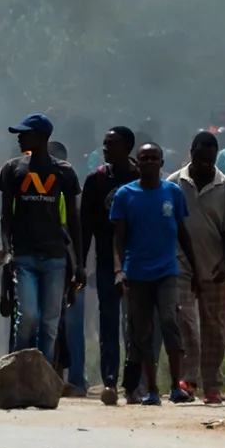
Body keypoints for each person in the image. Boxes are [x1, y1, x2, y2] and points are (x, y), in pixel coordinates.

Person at [0, 113, 82, 378]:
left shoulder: (64, 171)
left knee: (50, 322)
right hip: (24, 256)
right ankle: (19, 373)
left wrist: (76, 262)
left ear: (42, 137)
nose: (19, 138)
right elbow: (6, 215)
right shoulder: (13, 169)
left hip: (55, 256)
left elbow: (74, 221)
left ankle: (41, 378)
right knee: (28, 316)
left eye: (25, 133)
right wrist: (7, 249)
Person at [111, 143, 196, 405]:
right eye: (144, 158)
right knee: (142, 331)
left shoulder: (173, 193)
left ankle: (176, 386)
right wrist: (118, 270)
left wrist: (196, 269)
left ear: (161, 162)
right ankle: (152, 391)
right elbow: (118, 238)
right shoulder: (125, 195)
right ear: (137, 162)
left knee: (170, 323)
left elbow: (182, 232)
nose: (149, 162)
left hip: (167, 271)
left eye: (154, 158)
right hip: (136, 273)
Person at [170, 131, 225, 404]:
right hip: (181, 264)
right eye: (199, 158)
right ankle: (188, 378)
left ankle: (212, 384)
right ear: (191, 153)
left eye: (209, 160)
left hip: (214, 266)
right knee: (184, 319)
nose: (204, 165)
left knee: (215, 327)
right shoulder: (174, 183)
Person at [80, 126, 138, 404]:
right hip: (105, 261)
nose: (105, 149)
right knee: (109, 321)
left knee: (136, 322)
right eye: (104, 144)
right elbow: (85, 228)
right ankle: (110, 381)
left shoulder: (141, 177)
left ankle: (134, 382)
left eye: (111, 144)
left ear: (128, 147)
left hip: (138, 261)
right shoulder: (96, 180)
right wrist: (81, 264)